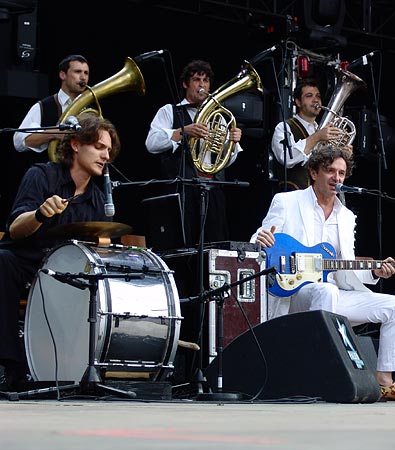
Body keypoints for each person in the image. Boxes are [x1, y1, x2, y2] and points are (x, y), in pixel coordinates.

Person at [250, 145, 395, 402]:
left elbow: (345, 266)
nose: (337, 178)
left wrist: (375, 272)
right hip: (293, 293)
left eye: (342, 173)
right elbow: (260, 238)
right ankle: (322, 373)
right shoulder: (287, 201)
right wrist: (260, 239)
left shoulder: (346, 216)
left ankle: (385, 382)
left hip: (331, 292)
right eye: (330, 171)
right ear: (313, 172)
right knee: (326, 290)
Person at [0, 113, 120, 390]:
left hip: (66, 271)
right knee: (3, 261)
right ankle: (10, 366)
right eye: (99, 147)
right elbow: (15, 229)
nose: (106, 156)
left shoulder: (99, 200)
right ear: (76, 144)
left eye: (109, 150)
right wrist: (40, 214)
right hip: (27, 260)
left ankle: (85, 365)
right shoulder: (41, 175)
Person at [145, 59, 243, 246]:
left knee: (214, 246)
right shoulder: (169, 111)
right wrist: (182, 132)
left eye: (205, 81)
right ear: (185, 84)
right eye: (197, 80)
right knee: (181, 245)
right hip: (181, 190)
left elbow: (225, 161)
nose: (202, 85)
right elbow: (151, 143)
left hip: (212, 190)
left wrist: (232, 143)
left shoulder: (219, 117)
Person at [271, 77, 349, 191]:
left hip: (322, 198)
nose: (316, 100)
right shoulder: (284, 127)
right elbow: (287, 158)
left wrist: (343, 156)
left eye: (318, 96)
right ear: (298, 102)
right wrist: (317, 137)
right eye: (309, 96)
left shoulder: (324, 130)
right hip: (295, 196)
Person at [13, 54, 90, 155]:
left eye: (86, 73)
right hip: (52, 169)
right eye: (77, 72)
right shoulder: (43, 106)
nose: (83, 77)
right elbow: (18, 142)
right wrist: (52, 134)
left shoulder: (90, 109)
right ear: (63, 75)